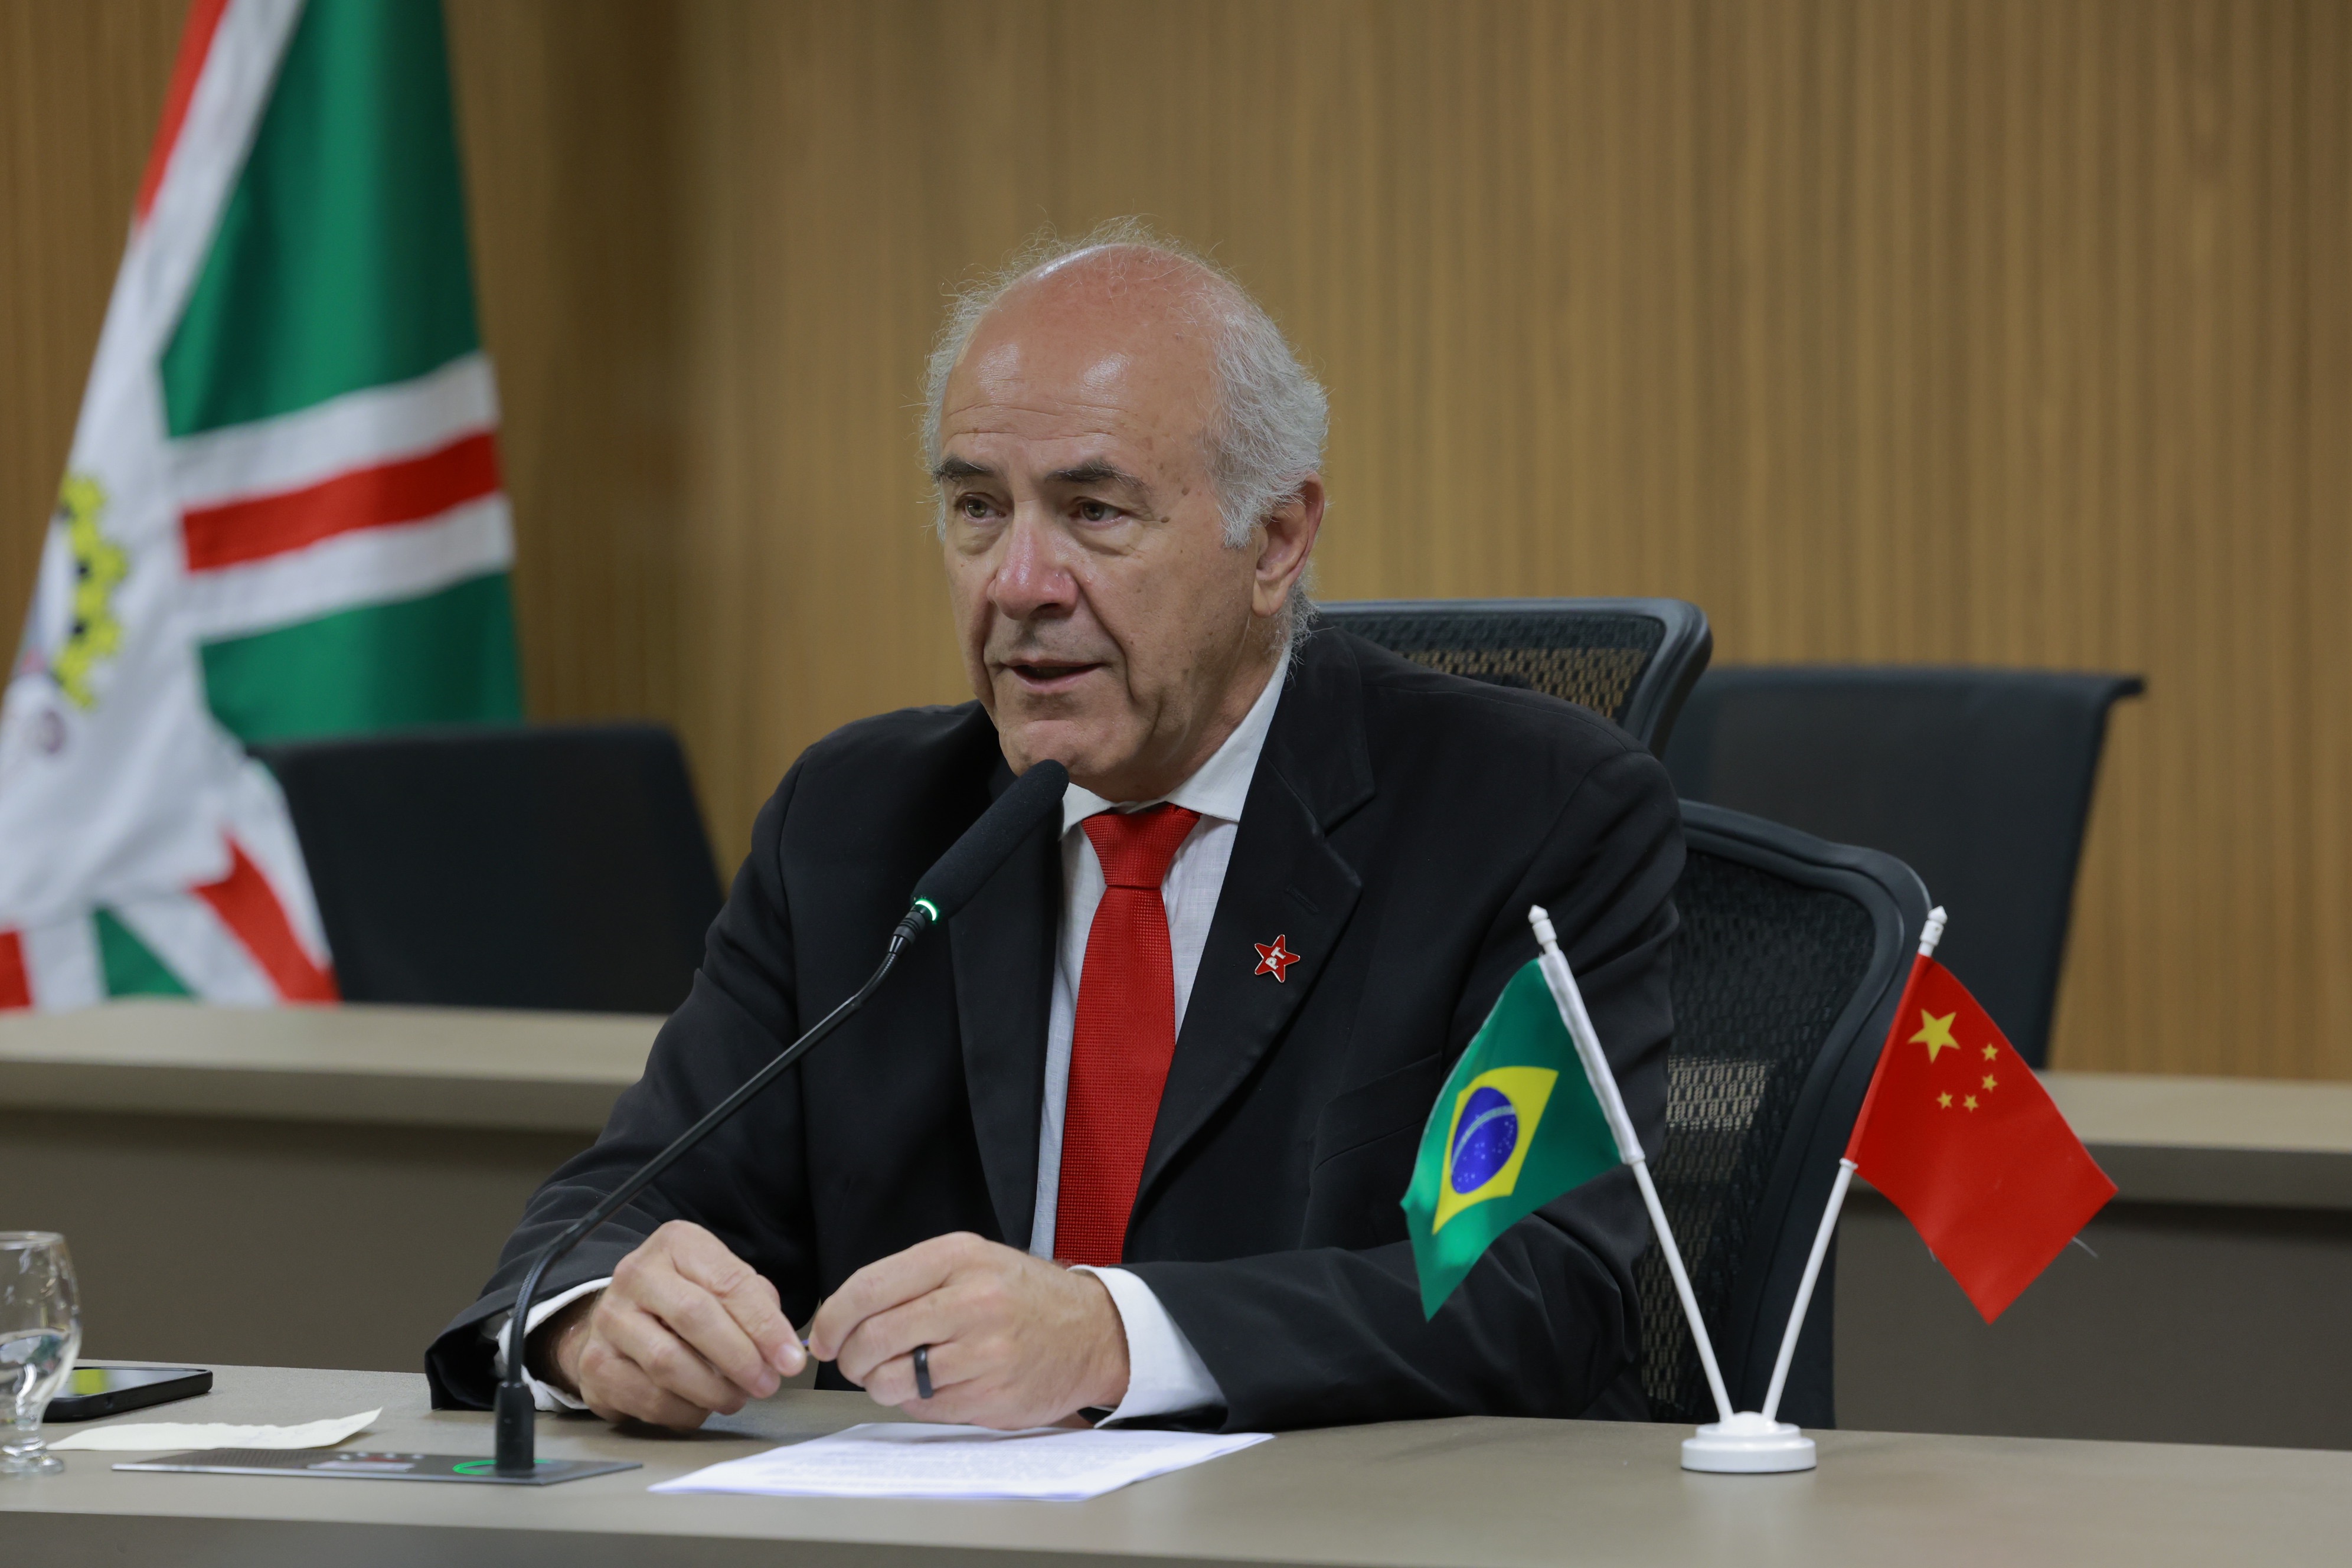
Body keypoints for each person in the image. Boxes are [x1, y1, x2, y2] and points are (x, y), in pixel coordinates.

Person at [427, 221, 1682, 1434]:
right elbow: (602, 1216)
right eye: (979, 509)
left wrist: (1110, 1335)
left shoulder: (1530, 812)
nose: (1019, 584)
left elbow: (1543, 1288)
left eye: (1093, 511)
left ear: (1276, 541)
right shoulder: (856, 827)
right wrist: (594, 1324)